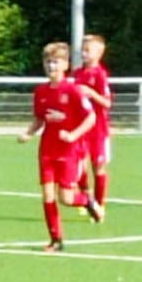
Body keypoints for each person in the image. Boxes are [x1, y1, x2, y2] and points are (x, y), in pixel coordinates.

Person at [20, 41, 102, 252]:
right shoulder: (41, 91)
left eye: (56, 62)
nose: (51, 66)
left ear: (65, 65)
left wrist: (73, 135)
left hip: (69, 152)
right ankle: (56, 239)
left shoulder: (73, 91)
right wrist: (28, 133)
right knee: (47, 195)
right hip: (47, 150)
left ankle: (87, 201)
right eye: (48, 62)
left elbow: (91, 118)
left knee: (66, 198)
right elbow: (39, 119)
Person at [71, 33, 113, 210]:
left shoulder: (100, 75)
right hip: (81, 128)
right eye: (83, 49)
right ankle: (86, 198)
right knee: (80, 165)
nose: (84, 53)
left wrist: (92, 93)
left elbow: (107, 103)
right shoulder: (77, 73)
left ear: (99, 53)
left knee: (98, 166)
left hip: (98, 130)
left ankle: (99, 204)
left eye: (88, 50)